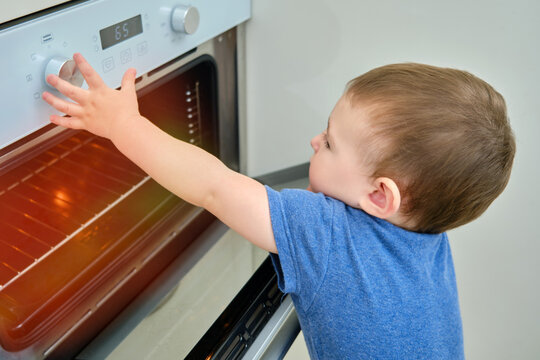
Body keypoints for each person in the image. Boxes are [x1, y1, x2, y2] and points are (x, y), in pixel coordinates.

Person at [42, 54, 515, 359]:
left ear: (379, 196)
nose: (315, 140)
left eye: (328, 142)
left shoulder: (328, 234)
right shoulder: (429, 234)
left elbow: (214, 188)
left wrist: (122, 124)